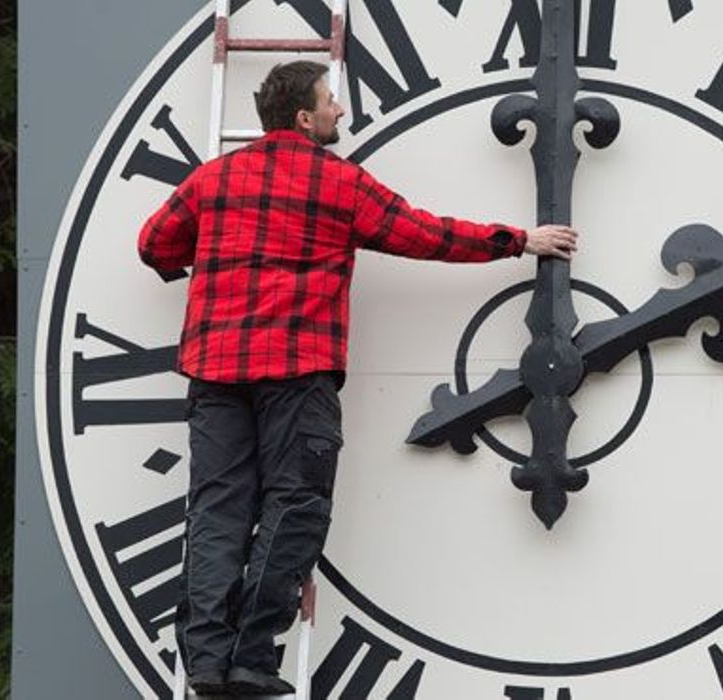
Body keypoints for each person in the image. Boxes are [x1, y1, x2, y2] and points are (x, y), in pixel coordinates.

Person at [137, 60, 578, 696]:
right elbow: (424, 234)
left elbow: (153, 243)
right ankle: (252, 657)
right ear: (303, 117)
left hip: (216, 370)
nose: (339, 111)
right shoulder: (338, 183)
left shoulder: (214, 178)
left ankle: (204, 660)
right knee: (295, 506)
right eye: (330, 102)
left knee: (217, 509)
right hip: (298, 371)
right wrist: (517, 241)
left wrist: (213, 255)